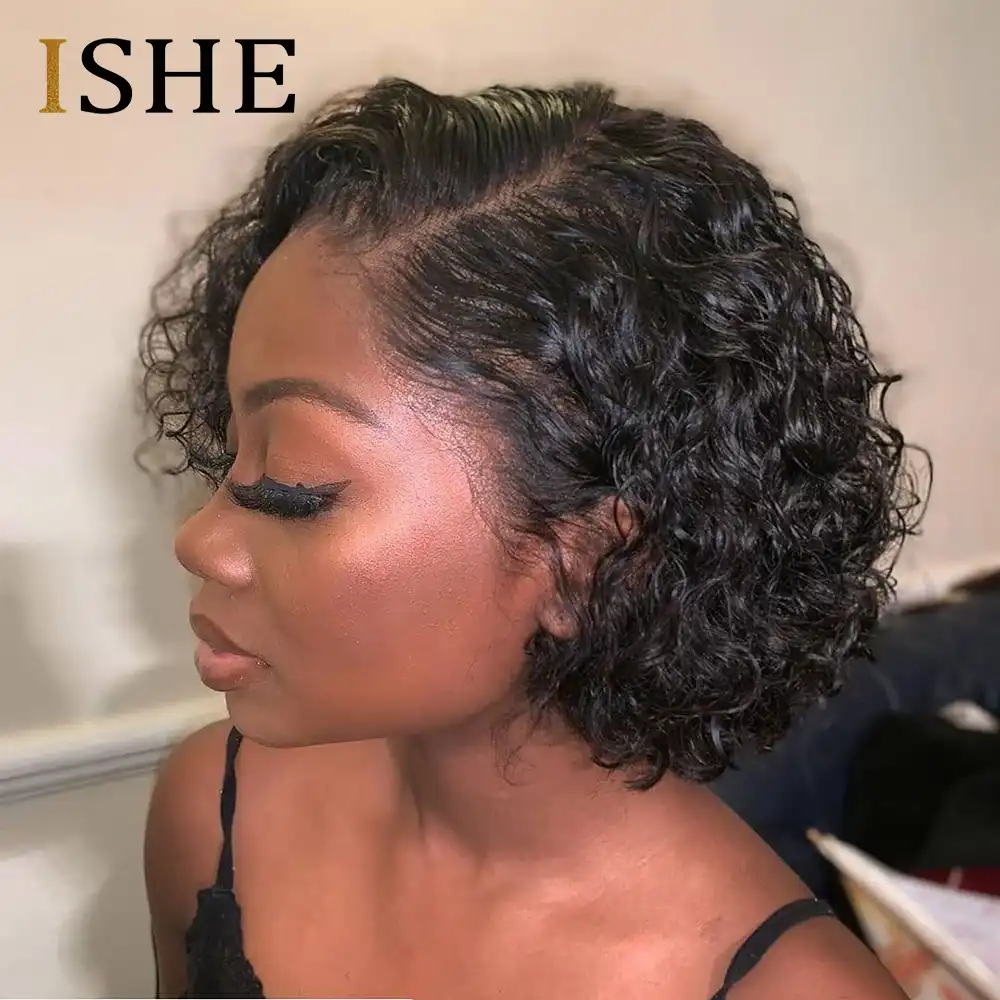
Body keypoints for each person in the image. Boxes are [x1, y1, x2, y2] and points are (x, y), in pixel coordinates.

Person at [139, 77, 921, 999]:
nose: (201, 540)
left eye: (292, 487)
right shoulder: (214, 812)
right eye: (231, 453)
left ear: (586, 558)